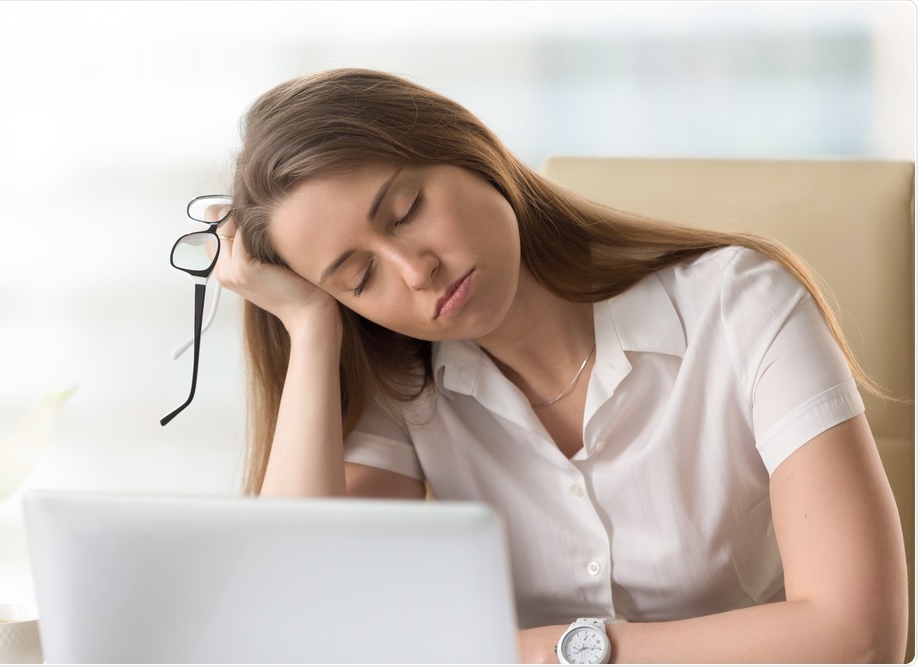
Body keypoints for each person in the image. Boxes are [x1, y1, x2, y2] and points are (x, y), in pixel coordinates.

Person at [209, 68, 908, 663]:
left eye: (407, 209)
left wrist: (553, 650)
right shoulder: (405, 382)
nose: (415, 271)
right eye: (360, 278)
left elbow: (861, 633)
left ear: (465, 148)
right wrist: (310, 326)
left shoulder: (741, 303)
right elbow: (293, 618)